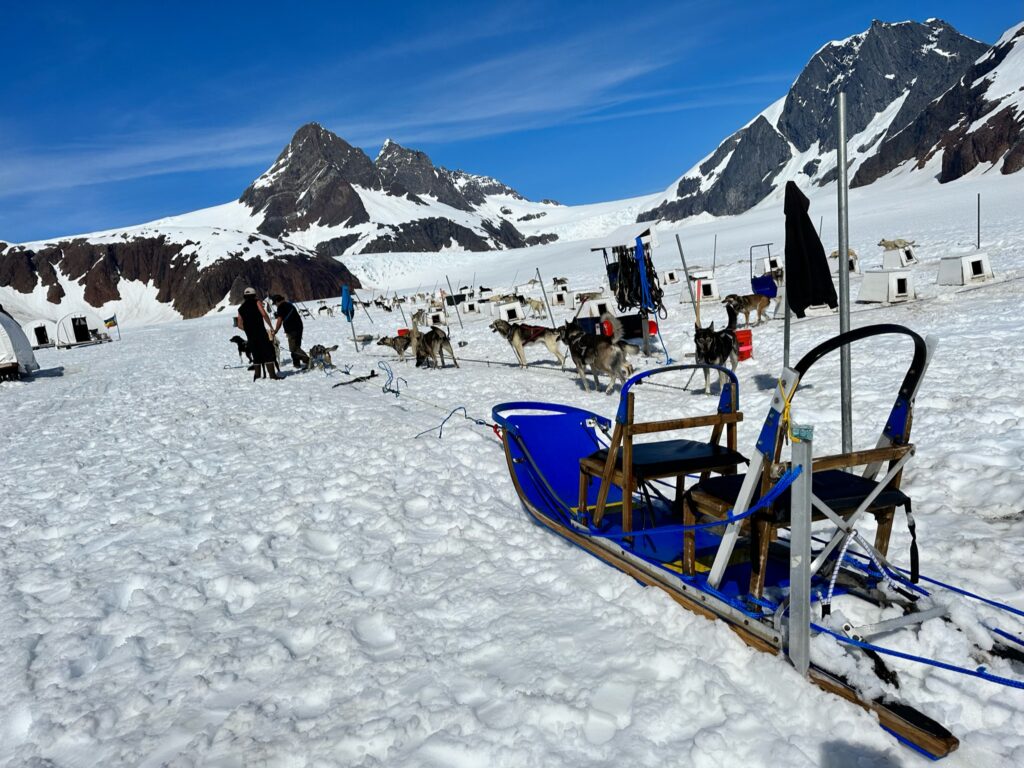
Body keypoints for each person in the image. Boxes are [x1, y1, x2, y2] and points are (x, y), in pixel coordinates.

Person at [237, 287, 280, 381]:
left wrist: (248, 329)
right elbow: (264, 314)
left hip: (250, 336)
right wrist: (271, 327)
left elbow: (239, 324)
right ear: (254, 295)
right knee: (268, 352)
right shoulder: (257, 302)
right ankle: (272, 375)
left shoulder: (241, 308)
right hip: (261, 333)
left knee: (256, 355)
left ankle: (258, 376)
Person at [271, 294, 309, 370]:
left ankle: (308, 360)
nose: (275, 305)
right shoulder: (290, 305)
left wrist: (276, 330)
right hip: (299, 327)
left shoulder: (281, 307)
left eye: (275, 303)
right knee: (297, 345)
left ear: (277, 301)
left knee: (293, 348)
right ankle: (296, 363)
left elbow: (279, 320)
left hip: (292, 329)